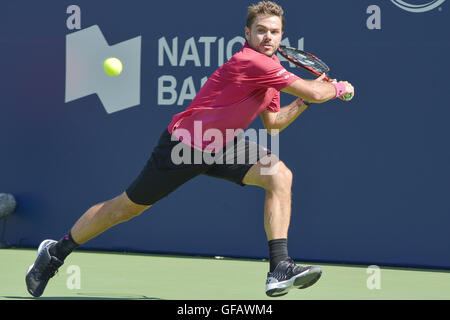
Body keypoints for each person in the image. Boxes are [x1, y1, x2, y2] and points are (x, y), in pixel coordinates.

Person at [26, 1, 354, 298]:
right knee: (125, 209)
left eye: (274, 32)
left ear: (282, 35)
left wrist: (305, 101)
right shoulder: (252, 62)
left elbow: (275, 123)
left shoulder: (269, 72)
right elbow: (317, 90)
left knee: (279, 176)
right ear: (247, 33)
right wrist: (336, 88)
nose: (268, 37)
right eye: (261, 31)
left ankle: (279, 267)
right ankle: (55, 253)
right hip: (186, 144)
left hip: (224, 145)